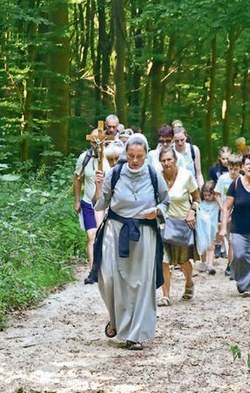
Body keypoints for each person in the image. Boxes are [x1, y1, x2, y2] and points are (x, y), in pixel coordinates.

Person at [91, 133, 170, 350]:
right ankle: (116, 321)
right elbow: (99, 204)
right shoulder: (115, 174)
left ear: (145, 155)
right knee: (109, 278)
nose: (135, 160)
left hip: (144, 234)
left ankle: (134, 335)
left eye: (139, 156)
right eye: (131, 155)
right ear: (126, 153)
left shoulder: (154, 175)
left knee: (141, 284)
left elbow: (165, 201)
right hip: (115, 231)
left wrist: (158, 211)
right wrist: (97, 186)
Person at [220, 153, 250, 298]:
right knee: (240, 256)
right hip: (239, 228)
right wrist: (223, 227)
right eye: (247, 164)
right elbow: (227, 207)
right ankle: (242, 282)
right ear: (242, 166)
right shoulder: (235, 185)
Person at [158, 147, 200, 306]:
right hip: (163, 223)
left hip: (183, 223)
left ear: (175, 160)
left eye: (169, 159)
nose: (166, 163)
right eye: (163, 160)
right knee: (163, 260)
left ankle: (189, 282)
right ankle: (165, 295)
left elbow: (197, 198)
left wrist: (192, 212)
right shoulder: (158, 178)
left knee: (183, 261)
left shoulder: (186, 176)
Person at [74, 140, 110, 267]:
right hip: (89, 202)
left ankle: (106, 266)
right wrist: (77, 200)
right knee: (91, 235)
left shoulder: (110, 157)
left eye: (99, 142)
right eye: (94, 142)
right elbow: (78, 178)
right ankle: (93, 269)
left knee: (105, 236)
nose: (97, 145)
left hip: (107, 204)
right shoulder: (84, 158)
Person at [214, 153, 242, 276]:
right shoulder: (223, 179)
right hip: (226, 213)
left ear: (240, 167)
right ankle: (230, 264)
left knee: (235, 240)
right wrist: (222, 208)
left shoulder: (242, 179)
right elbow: (217, 194)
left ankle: (235, 264)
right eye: (231, 168)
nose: (233, 171)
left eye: (236, 169)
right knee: (229, 240)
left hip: (239, 213)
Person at [197, 180, 219, 275]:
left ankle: (210, 264)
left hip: (212, 228)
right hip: (202, 228)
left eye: (209, 195)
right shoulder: (201, 203)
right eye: (205, 195)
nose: (206, 197)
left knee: (211, 246)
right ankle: (203, 262)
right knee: (202, 245)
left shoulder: (216, 203)